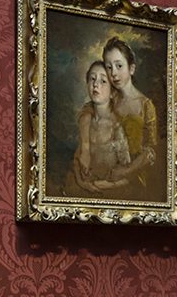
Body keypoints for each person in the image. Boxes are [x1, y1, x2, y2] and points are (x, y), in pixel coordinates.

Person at [101, 36, 160, 199]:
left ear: (131, 68)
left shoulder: (146, 105)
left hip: (136, 179)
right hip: (108, 174)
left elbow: (151, 151)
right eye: (109, 67)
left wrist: (126, 171)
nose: (113, 73)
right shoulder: (107, 102)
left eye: (119, 66)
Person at [63, 61, 132, 197]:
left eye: (103, 81)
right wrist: (82, 183)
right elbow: (78, 160)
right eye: (92, 79)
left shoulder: (117, 127)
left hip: (107, 192)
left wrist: (105, 185)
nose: (95, 84)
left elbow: (127, 175)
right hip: (84, 186)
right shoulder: (86, 119)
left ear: (113, 91)